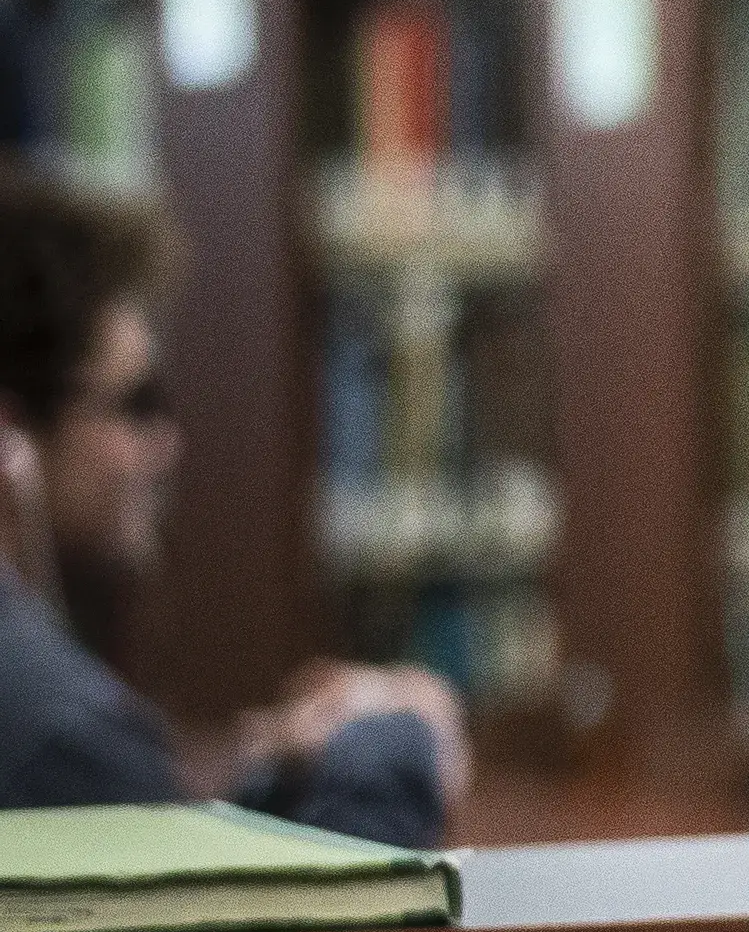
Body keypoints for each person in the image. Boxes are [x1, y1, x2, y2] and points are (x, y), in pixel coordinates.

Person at [0, 167, 463, 845]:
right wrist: (396, 741)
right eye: (136, 403)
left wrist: (268, 761)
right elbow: (288, 913)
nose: (167, 444)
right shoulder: (56, 733)